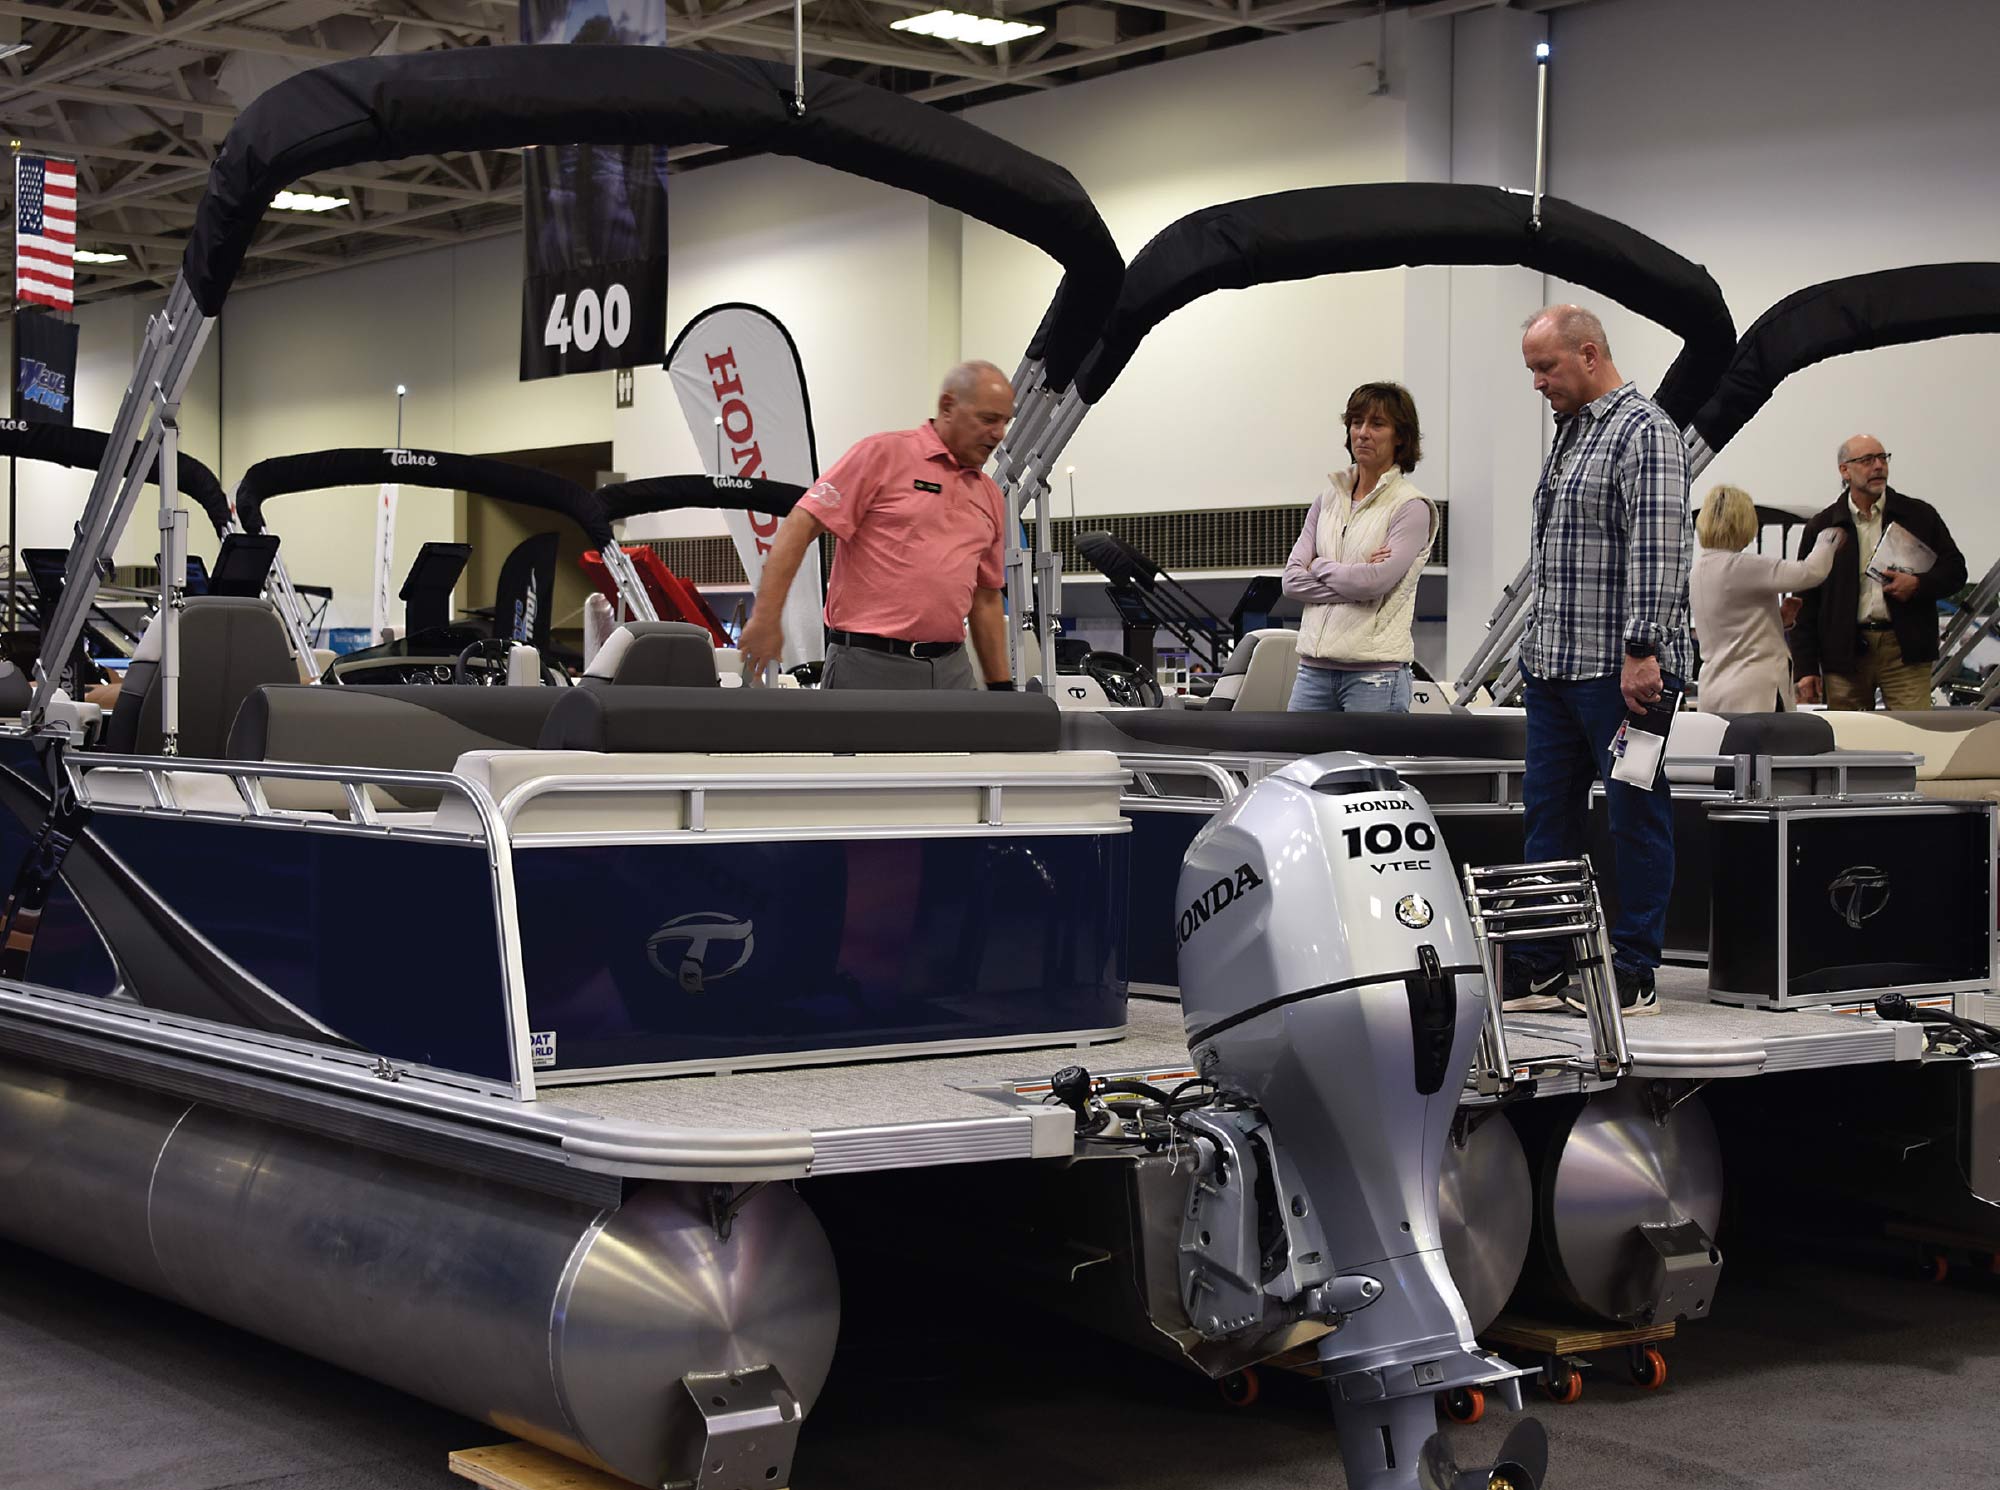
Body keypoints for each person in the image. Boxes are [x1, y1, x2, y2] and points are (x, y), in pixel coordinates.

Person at [1507, 305, 1693, 1018]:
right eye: (1531, 370)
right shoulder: (1572, 435)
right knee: (1546, 822)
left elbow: (1658, 548)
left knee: (1634, 815)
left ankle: (1636, 968)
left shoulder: (1645, 432)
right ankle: (1542, 963)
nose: (1537, 383)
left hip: (1627, 678)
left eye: (1545, 368)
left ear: (1589, 354)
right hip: (1555, 673)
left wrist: (1643, 650)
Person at [739, 361, 1015, 691]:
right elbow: (800, 525)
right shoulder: (883, 455)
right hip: (867, 666)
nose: (998, 433)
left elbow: (985, 597)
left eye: (1004, 422)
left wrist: (1001, 687)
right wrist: (767, 618)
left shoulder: (989, 494)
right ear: (948, 406)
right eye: (987, 419)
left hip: (951, 671)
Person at [1282, 382, 1438, 712]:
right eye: (1356, 422)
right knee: (1298, 763)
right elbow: (1292, 581)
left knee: (1366, 766)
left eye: (1377, 424)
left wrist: (1321, 565)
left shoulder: (1410, 506)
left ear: (1400, 436)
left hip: (1374, 676)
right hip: (1313, 670)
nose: (1363, 433)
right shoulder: (1327, 499)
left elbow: (1375, 583)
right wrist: (1357, 581)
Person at [1791, 435, 1966, 711]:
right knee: (1847, 742)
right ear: (1844, 470)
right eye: (1867, 460)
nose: (1878, 466)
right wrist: (1805, 667)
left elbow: (1955, 570)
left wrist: (1918, 584)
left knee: (1914, 736)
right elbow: (1805, 601)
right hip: (1844, 651)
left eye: (1883, 458)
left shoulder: (1918, 515)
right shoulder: (1823, 526)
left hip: (1904, 648)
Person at [1689, 484, 1843, 713]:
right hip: (1754, 689)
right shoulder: (1742, 566)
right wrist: (1829, 537)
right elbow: (1810, 572)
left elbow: (1732, 625)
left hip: (1715, 686)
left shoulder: (1699, 570)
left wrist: (1779, 620)